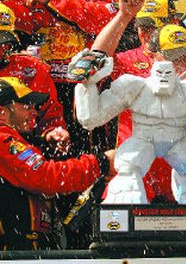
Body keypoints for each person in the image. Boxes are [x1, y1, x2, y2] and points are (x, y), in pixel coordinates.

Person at [3, 0, 121, 155]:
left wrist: (51, 0)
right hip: (38, 98)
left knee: (91, 163)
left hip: (85, 92)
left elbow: (108, 19)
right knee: (39, 165)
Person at [74, 60, 186, 204]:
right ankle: (124, 198)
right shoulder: (134, 87)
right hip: (143, 138)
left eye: (168, 73)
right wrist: (88, 85)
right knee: (128, 168)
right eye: (160, 72)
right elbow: (91, 119)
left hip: (178, 140)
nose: (164, 77)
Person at [0, 77, 115, 250]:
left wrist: (44, 143)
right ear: (2, 111)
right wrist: (101, 163)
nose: (35, 112)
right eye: (26, 106)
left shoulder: (17, 141)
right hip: (11, 253)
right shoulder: (3, 140)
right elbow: (44, 176)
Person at [0, 4, 69, 158]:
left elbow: (51, 115)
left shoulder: (32, 68)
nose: (2, 48)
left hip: (23, 153)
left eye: (4, 42)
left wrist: (53, 132)